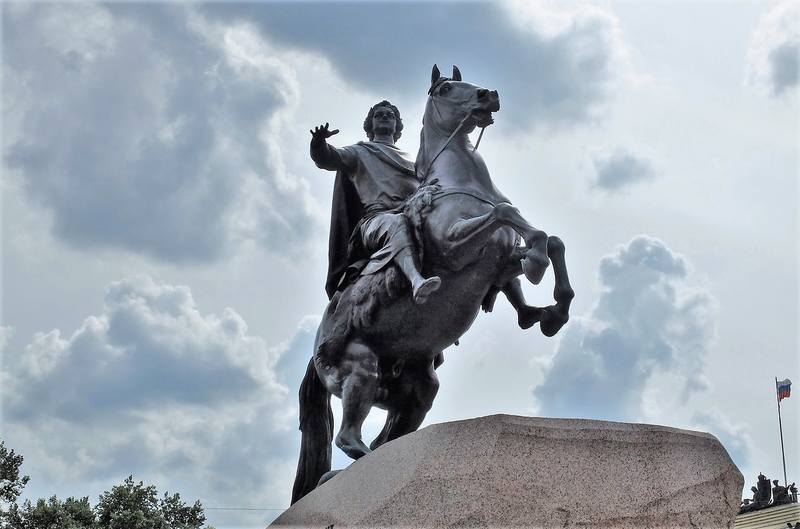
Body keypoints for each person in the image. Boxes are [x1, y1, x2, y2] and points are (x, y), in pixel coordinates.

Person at [310, 100, 441, 304]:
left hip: (413, 214)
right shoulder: (358, 152)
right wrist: (318, 143)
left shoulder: (413, 160)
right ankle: (416, 280)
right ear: (370, 125)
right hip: (376, 222)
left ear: (397, 125)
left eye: (390, 115)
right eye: (379, 115)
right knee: (396, 223)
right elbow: (327, 158)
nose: (385, 116)